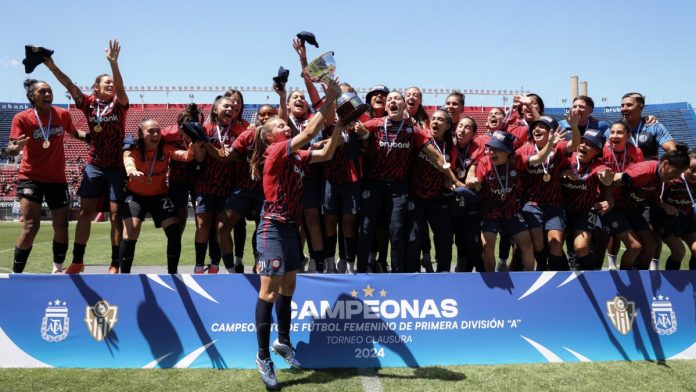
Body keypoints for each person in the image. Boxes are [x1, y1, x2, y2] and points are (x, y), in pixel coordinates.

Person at [252, 79, 344, 389]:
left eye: (285, 125)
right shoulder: (276, 151)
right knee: (268, 292)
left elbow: (328, 153)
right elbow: (307, 133)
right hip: (271, 228)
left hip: (290, 229)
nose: (285, 128)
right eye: (280, 125)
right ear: (269, 137)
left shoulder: (295, 157)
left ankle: (283, 341)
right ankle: (263, 356)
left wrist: (338, 121)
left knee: (288, 288)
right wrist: (329, 97)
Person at [43, 39, 129, 274]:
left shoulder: (119, 105)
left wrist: (114, 65)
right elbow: (69, 84)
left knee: (115, 215)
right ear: (96, 87)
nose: (111, 85)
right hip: (95, 165)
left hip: (117, 166)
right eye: (106, 83)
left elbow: (121, 90)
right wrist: (51, 66)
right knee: (85, 212)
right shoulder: (88, 104)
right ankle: (78, 260)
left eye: (112, 83)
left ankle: (115, 262)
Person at [355, 91, 462, 273]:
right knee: (366, 228)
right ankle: (361, 271)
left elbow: (436, 156)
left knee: (397, 232)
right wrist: (360, 135)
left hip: (399, 188)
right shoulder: (374, 125)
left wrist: (454, 180)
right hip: (374, 184)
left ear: (404, 106)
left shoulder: (413, 130)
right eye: (390, 100)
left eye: (397, 99)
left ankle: (397, 273)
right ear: (386, 107)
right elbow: (350, 132)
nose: (393, 101)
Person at [7, 79, 81, 273]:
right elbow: (11, 148)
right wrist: (17, 147)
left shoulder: (62, 114)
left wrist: (93, 136)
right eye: (42, 92)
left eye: (49, 91)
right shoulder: (22, 118)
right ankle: (17, 273)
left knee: (62, 226)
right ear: (32, 96)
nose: (48, 94)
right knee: (31, 226)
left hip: (57, 179)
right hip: (31, 177)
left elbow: (74, 133)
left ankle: (57, 269)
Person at [470, 129, 564, 272]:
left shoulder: (516, 160)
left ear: (508, 152)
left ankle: (529, 282)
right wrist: (474, 183)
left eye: (497, 149)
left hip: (512, 212)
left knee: (527, 246)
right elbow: (477, 184)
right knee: (487, 247)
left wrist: (550, 144)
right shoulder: (484, 162)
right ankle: (490, 282)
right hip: (490, 212)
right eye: (491, 148)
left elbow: (538, 158)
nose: (492, 152)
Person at [119, 119, 197, 273]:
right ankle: (124, 275)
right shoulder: (133, 148)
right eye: (151, 131)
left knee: (174, 230)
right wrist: (131, 170)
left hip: (159, 196)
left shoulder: (165, 149)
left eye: (158, 131)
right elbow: (128, 159)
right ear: (141, 134)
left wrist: (192, 143)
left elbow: (187, 156)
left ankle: (172, 273)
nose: (156, 134)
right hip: (136, 196)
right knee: (131, 231)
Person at [610, 143, 691, 269]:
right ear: (665, 164)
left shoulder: (662, 177)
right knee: (635, 246)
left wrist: (663, 205)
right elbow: (613, 182)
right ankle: (624, 276)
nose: (675, 177)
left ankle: (640, 276)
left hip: (633, 210)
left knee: (651, 244)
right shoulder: (643, 171)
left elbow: (650, 198)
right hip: (615, 209)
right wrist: (608, 202)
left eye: (678, 174)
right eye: (675, 172)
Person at [515, 114, 580, 271]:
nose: (537, 129)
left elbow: (575, 143)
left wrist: (575, 127)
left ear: (552, 131)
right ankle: (542, 269)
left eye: (542, 127)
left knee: (556, 243)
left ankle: (554, 275)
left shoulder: (560, 146)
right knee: (538, 244)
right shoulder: (525, 149)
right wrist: (550, 144)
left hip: (554, 204)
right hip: (531, 203)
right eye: (535, 127)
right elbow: (537, 158)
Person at [195, 94, 249, 274]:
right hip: (205, 185)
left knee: (220, 226)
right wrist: (197, 143)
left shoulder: (240, 131)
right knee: (202, 225)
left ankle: (215, 263)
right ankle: (199, 264)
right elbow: (199, 157)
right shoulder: (206, 128)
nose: (230, 109)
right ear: (215, 109)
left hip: (228, 187)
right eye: (225, 106)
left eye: (233, 108)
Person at [405, 110, 458, 272]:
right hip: (415, 196)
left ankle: (442, 273)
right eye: (433, 119)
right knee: (414, 238)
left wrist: (451, 183)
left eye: (441, 120)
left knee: (445, 238)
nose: (436, 122)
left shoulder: (451, 147)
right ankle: (411, 275)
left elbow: (448, 175)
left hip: (437, 198)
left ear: (448, 125)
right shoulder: (421, 137)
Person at [559, 129, 614, 270]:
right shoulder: (567, 159)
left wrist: (608, 191)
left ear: (597, 151)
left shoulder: (599, 166)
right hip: (560, 209)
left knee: (581, 247)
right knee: (554, 245)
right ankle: (564, 275)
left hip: (583, 211)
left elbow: (606, 178)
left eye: (589, 144)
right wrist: (562, 172)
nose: (583, 146)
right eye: (582, 142)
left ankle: (592, 278)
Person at [656, 148, 696, 270]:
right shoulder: (671, 179)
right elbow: (654, 198)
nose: (695, 174)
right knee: (679, 252)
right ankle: (671, 284)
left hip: (688, 221)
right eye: (692, 170)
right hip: (668, 222)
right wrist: (664, 205)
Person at [609, 92, 676, 160]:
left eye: (629, 105)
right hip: (624, 170)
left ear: (641, 108)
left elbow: (672, 150)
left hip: (648, 169)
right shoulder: (614, 130)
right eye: (622, 105)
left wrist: (660, 164)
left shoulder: (653, 126)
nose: (624, 108)